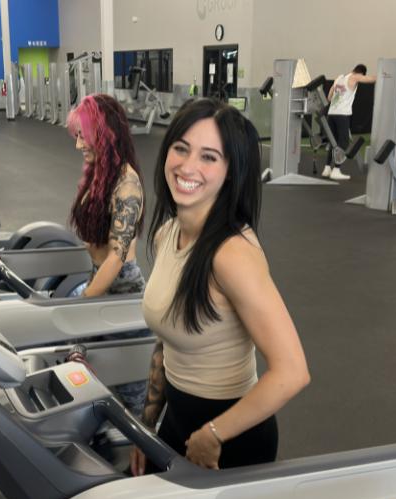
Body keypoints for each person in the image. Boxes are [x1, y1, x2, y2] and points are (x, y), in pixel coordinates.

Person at [131, 98, 311, 474]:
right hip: (177, 420)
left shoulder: (231, 255)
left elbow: (293, 370)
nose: (188, 166)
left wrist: (213, 435)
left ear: (231, 171)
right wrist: (146, 427)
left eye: (209, 157)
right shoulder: (168, 234)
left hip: (232, 435)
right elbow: (166, 339)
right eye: (181, 148)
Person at [65, 93, 147, 414]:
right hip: (98, 281)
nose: (78, 145)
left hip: (122, 291)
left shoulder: (127, 184)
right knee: (91, 375)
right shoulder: (99, 175)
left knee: (131, 398)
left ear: (104, 133)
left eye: (83, 136)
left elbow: (116, 256)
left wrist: (83, 306)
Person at [322, 64, 376, 181]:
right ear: (361, 73)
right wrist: (385, 75)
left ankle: (327, 169)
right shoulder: (355, 77)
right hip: (342, 115)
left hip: (332, 113)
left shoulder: (339, 78)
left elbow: (329, 97)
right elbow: (370, 80)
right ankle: (336, 170)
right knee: (343, 143)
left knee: (333, 142)